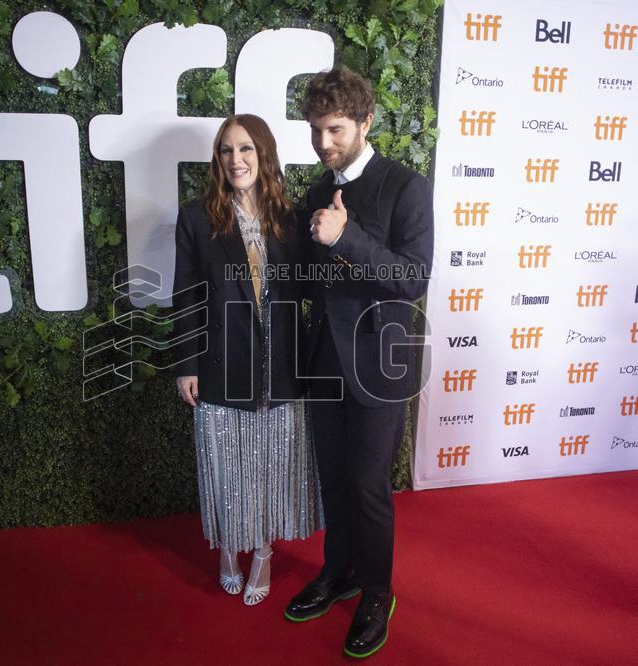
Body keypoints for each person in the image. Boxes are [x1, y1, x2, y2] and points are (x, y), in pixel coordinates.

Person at [284, 67, 433, 658]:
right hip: (324, 359)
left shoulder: (405, 186)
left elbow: (413, 279)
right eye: (316, 130)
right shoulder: (316, 191)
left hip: (379, 366)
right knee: (335, 479)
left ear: (365, 122)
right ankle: (339, 571)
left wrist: (346, 236)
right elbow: (307, 278)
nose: (323, 143)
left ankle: (376, 592)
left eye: (335, 130)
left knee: (369, 485)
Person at [172, 114, 321, 606]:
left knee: (271, 467)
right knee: (227, 467)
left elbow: (309, 289)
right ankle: (227, 548)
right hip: (222, 363)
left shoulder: (291, 218)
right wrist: (186, 364)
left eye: (245, 149)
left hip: (282, 366)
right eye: (226, 150)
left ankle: (262, 551)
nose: (235, 160)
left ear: (264, 154)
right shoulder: (197, 218)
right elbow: (186, 295)